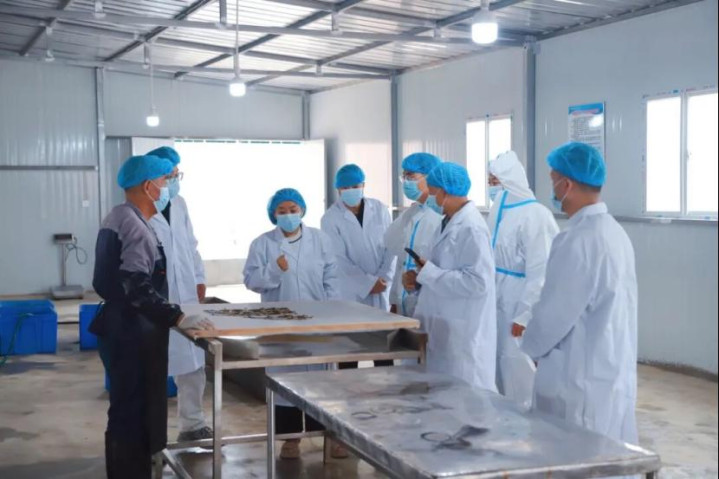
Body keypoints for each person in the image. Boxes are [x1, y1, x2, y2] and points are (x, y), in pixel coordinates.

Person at [91, 154, 214, 478]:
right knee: (133, 413)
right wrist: (177, 317)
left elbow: (108, 281)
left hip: (124, 325)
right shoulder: (136, 226)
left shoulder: (119, 216)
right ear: (149, 186)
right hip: (132, 331)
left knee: (128, 411)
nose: (169, 186)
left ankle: (129, 469)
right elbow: (137, 287)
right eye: (166, 180)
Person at [521, 142, 638, 446]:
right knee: (606, 450)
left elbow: (553, 315)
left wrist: (530, 346)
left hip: (578, 380)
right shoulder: (615, 233)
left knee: (573, 451)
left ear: (567, 184)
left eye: (553, 181)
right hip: (607, 369)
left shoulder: (577, 240)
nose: (553, 190)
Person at [243, 188, 345, 460]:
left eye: (293, 209)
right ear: (273, 214)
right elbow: (251, 281)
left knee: (321, 383)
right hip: (281, 324)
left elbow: (332, 277)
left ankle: (328, 436)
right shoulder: (262, 244)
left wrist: (333, 312)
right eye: (282, 211)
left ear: (302, 210)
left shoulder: (319, 240)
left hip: (317, 321)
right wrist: (274, 269)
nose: (289, 215)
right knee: (285, 382)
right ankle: (289, 439)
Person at [405, 162, 498, 392]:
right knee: (442, 396)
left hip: (463, 332)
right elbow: (441, 269)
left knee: (466, 399)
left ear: (445, 192)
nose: (431, 199)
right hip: (443, 326)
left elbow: (478, 283)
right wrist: (419, 279)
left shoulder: (472, 228)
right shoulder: (447, 221)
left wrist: (429, 274)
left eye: (433, 193)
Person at [146, 146, 211, 442]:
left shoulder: (180, 203)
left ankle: (192, 425)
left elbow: (191, 246)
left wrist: (199, 278)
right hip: (155, 300)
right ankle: (149, 435)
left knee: (193, 364)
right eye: (168, 176)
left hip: (186, 295)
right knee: (153, 366)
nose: (173, 181)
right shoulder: (139, 210)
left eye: (176, 175)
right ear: (152, 179)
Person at [487, 151, 559, 409]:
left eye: (495, 181)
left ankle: (525, 416)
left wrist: (526, 314)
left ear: (510, 181)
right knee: (496, 359)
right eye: (490, 181)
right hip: (496, 295)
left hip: (518, 297)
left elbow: (542, 270)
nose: (491, 187)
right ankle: (500, 415)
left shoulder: (536, 215)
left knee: (517, 362)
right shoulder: (498, 211)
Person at [321, 164, 395, 371]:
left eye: (355, 186)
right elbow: (338, 259)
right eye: (346, 187)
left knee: (383, 350)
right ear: (338, 189)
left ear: (363, 185)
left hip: (381, 288)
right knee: (349, 350)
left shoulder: (379, 209)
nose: (351, 190)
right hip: (350, 292)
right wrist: (367, 283)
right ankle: (346, 390)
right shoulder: (330, 218)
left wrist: (384, 278)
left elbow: (391, 246)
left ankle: (388, 387)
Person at [384, 153, 442, 317]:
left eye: (411, 176)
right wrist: (394, 300)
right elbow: (401, 260)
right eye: (404, 176)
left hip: (430, 303)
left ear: (430, 177)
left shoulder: (441, 215)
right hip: (404, 300)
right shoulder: (411, 213)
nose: (406, 181)